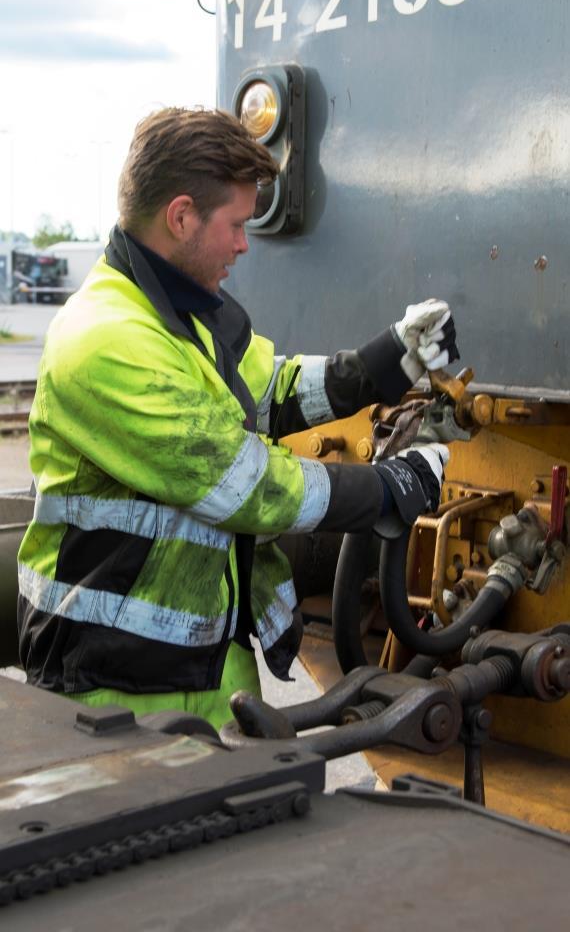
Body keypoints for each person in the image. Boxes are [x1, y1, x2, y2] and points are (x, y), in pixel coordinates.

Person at [17, 108, 459, 730]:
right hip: (114, 685)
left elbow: (270, 391)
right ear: (180, 216)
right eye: (235, 225)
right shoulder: (106, 340)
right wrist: (388, 488)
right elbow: (242, 482)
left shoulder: (187, 312)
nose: (244, 244)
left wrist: (388, 361)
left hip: (209, 665)